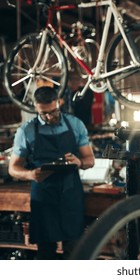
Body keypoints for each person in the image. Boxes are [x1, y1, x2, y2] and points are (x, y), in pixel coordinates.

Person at [8, 86, 95, 260]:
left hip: (70, 194)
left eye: (53, 112)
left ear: (59, 103)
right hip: (44, 197)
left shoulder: (75, 124)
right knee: (45, 253)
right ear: (36, 108)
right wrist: (30, 174)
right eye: (43, 114)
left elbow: (89, 160)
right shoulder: (27, 131)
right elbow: (13, 168)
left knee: (76, 252)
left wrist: (79, 162)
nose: (49, 117)